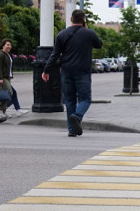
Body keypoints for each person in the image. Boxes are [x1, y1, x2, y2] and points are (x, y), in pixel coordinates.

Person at [42, 9, 103, 137]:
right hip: (83, 71)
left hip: (66, 71)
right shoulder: (89, 34)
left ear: (71, 19)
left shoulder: (62, 34)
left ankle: (71, 130)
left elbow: (55, 54)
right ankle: (77, 116)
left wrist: (46, 70)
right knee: (85, 99)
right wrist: (86, 28)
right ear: (83, 20)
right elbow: (99, 44)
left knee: (69, 101)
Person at [0, 39, 15, 115]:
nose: (9, 46)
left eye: (10, 45)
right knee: (9, 92)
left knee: (6, 93)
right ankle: (0, 110)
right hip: (1, 77)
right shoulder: (1, 54)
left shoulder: (7, 54)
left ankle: (2, 111)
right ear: (3, 45)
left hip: (7, 77)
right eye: (7, 44)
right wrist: (0, 78)